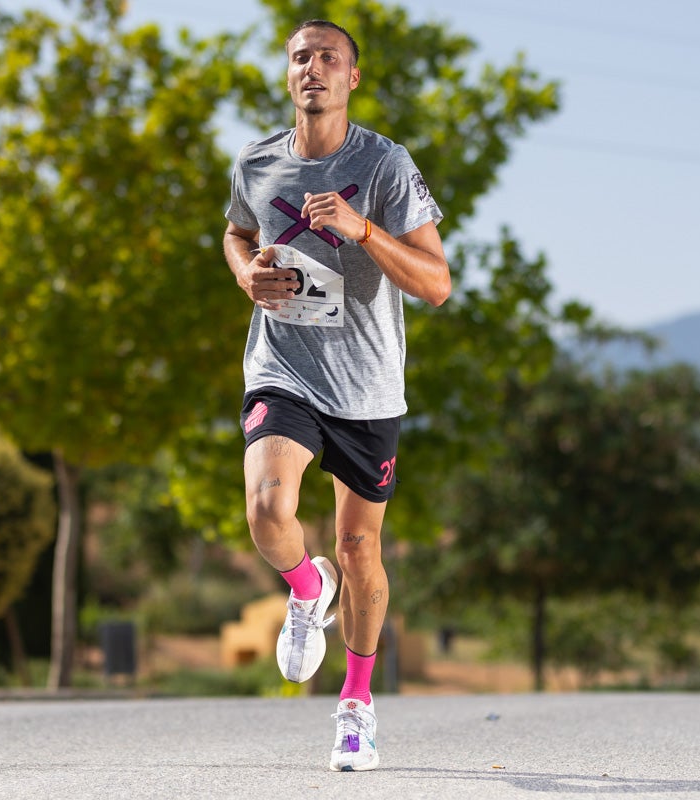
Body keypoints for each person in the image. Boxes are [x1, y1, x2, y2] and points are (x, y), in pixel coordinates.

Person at [223, 19, 451, 772]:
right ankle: (302, 583)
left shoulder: (385, 164)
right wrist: (245, 275)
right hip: (284, 367)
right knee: (267, 510)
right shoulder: (256, 161)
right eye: (300, 57)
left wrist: (362, 231)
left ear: (351, 77)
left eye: (329, 58)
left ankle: (356, 705)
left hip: (366, 384)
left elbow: (436, 284)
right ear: (287, 75)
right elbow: (236, 232)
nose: (312, 68)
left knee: (360, 550)